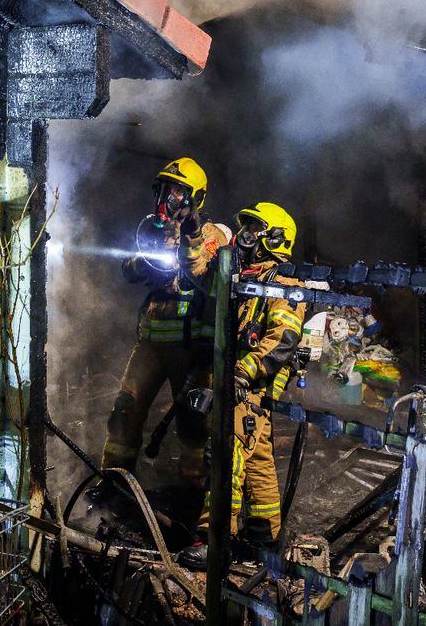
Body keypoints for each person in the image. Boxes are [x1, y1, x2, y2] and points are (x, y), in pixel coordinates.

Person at [178, 202, 306, 569]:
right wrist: (192, 232)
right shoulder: (242, 279)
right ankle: (265, 540)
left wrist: (240, 375)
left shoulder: (283, 285)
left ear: (274, 239)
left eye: (253, 228)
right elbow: (197, 271)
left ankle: (215, 540)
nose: (245, 235)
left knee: (225, 451)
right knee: (258, 459)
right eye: (245, 226)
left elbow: (281, 341)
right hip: (240, 381)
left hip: (255, 383)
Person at [99, 157, 229, 494]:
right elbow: (127, 268)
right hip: (149, 346)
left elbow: (212, 279)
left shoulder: (211, 234)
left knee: (194, 424)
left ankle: (193, 494)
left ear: (194, 197)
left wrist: (189, 242)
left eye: (178, 191)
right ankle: (113, 484)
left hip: (191, 347)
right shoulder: (151, 228)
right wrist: (146, 265)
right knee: (124, 411)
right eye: (167, 190)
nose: (170, 198)